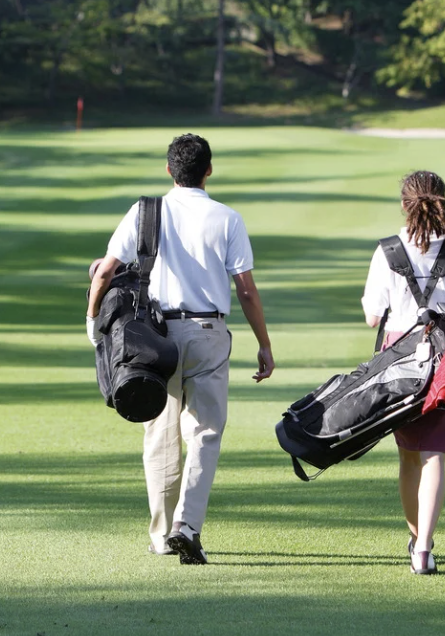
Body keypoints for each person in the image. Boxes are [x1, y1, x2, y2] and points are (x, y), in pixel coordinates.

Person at [86, 133, 276, 566]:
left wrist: (93, 322)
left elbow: (105, 272)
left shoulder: (144, 212)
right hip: (208, 332)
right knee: (205, 433)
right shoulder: (227, 218)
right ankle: (187, 527)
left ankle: (160, 535)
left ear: (169, 170)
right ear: (209, 170)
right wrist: (264, 344)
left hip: (153, 335)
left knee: (160, 433)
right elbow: (246, 291)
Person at [360, 170, 445, 575]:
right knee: (435, 454)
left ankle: (416, 538)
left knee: (409, 456)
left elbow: (372, 317)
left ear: (405, 204)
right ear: (444, 201)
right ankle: (423, 549)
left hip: (399, 358)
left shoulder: (388, 250)